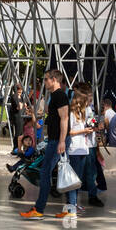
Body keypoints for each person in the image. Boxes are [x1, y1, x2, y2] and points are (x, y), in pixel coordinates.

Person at [21, 69, 70, 220]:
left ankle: (39, 209)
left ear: (54, 79)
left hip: (58, 140)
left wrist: (61, 141)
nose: (44, 82)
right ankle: (70, 208)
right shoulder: (55, 96)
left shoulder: (60, 95)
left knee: (46, 172)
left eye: (46, 79)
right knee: (60, 172)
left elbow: (65, 118)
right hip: (55, 139)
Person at [61, 90, 95, 224]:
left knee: (77, 180)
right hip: (74, 150)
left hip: (82, 149)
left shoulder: (82, 114)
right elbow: (69, 132)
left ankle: (72, 205)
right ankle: (72, 207)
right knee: (73, 181)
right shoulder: (71, 114)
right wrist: (84, 131)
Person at [72, 80, 105, 208]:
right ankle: (73, 197)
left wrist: (96, 127)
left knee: (91, 172)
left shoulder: (89, 109)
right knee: (80, 172)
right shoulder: (76, 110)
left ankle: (92, 195)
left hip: (89, 144)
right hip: (80, 145)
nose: (91, 98)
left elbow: (91, 123)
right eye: (89, 96)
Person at [7, 84, 24, 152]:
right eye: (19, 91)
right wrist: (22, 105)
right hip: (16, 116)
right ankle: (15, 148)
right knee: (17, 132)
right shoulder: (14, 97)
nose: (20, 93)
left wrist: (22, 105)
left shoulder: (21, 97)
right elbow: (19, 107)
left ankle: (20, 147)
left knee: (21, 133)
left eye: (21, 91)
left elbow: (24, 105)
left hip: (21, 115)